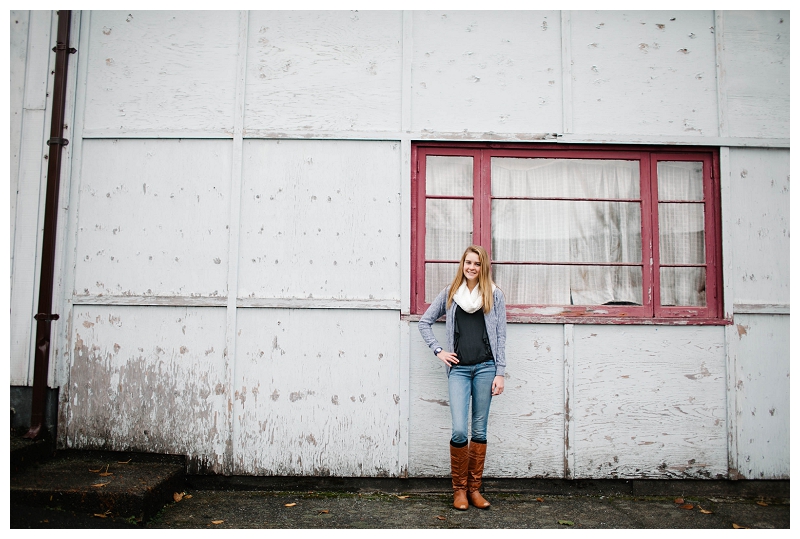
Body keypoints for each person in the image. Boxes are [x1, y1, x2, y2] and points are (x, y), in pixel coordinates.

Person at [418, 245, 506, 510]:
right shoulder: (450, 293)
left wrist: (500, 372)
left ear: (483, 267)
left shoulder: (495, 295)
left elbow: (501, 335)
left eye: (477, 264)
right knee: (459, 429)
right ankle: (458, 491)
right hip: (459, 370)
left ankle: (474, 490)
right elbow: (425, 322)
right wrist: (439, 351)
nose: (472, 267)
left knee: (479, 430)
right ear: (462, 264)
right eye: (468, 262)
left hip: (485, 368)